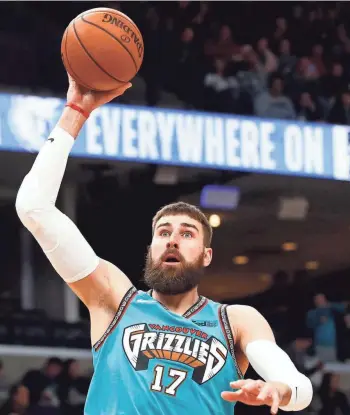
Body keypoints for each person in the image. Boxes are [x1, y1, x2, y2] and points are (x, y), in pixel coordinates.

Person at [15, 74, 313, 415]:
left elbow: (300, 388)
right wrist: (75, 111)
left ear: (206, 255)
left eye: (187, 234)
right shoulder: (114, 300)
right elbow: (33, 207)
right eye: (163, 232)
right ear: (151, 249)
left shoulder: (236, 320)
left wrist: (279, 389)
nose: (172, 239)